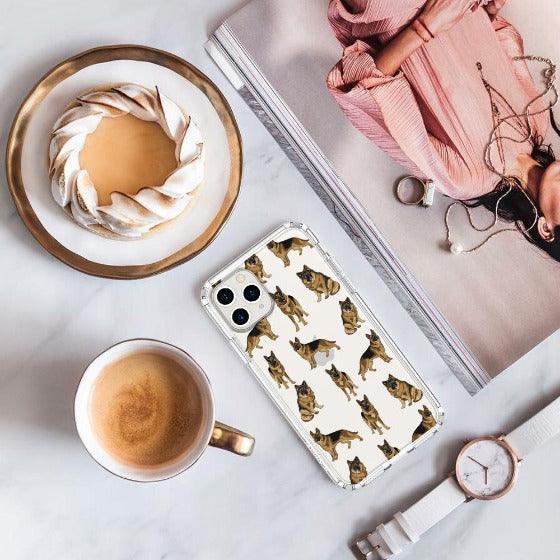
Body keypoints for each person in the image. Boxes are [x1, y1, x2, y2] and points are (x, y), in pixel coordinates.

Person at [327, 0, 560, 258]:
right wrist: (489, 12)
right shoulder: (536, 119)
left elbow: (368, 89)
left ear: (546, 229)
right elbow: (493, 38)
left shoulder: (465, 178)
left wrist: (424, 27)